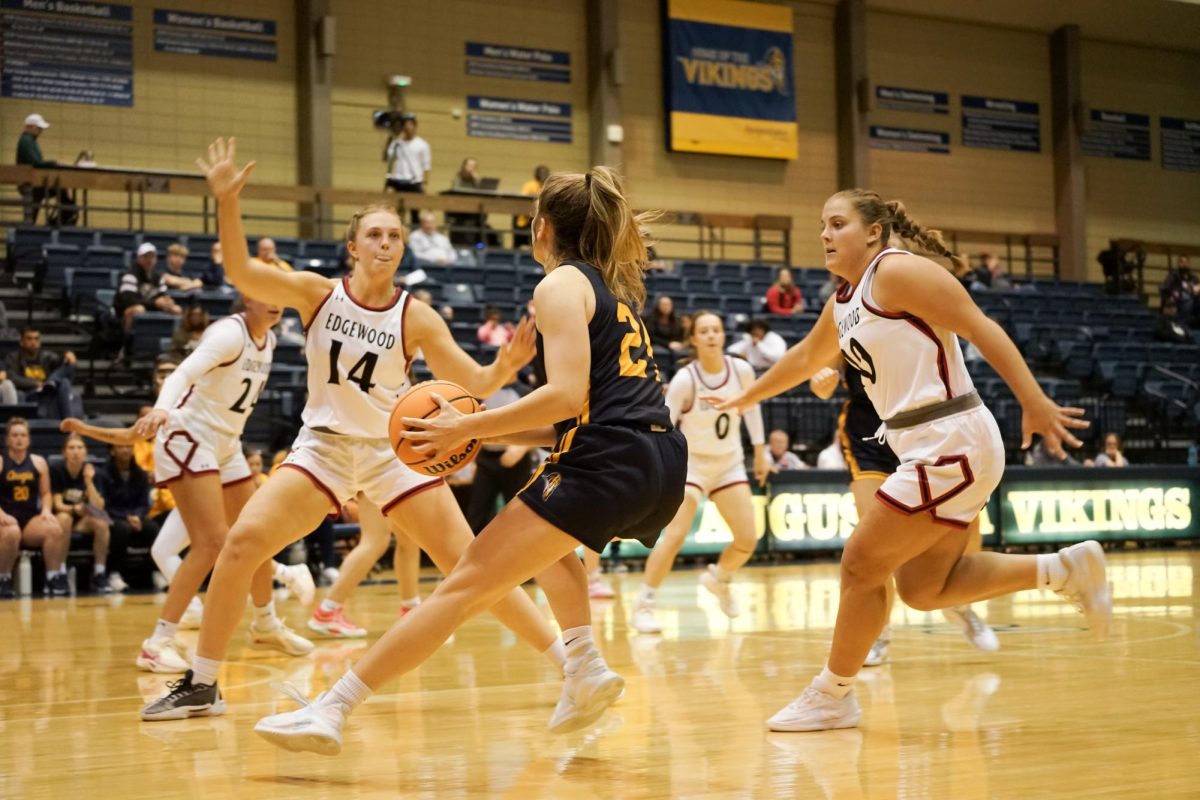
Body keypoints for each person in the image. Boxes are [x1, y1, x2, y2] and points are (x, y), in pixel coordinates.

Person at [142, 138, 583, 723]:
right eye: (374, 234)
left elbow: (471, 384)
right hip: (322, 449)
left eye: (394, 236)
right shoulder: (316, 293)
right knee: (241, 545)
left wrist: (503, 367)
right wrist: (227, 203)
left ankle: (571, 667)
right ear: (352, 246)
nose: (385, 243)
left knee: (471, 566)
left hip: (392, 451)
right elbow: (240, 270)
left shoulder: (416, 315)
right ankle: (201, 684)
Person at [253, 164, 688, 754]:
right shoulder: (612, 295)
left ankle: (331, 709)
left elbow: (562, 396)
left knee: (462, 586)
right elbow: (582, 411)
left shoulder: (560, 286)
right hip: (658, 461)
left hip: (607, 460)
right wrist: (481, 437)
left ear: (540, 229)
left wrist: (467, 423)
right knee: (552, 551)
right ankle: (582, 665)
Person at [712, 188, 1110, 732]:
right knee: (924, 589)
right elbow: (806, 357)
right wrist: (744, 397)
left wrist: (1034, 400)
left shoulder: (896, 272)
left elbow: (980, 326)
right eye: (822, 226)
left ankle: (833, 693)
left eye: (837, 224)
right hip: (926, 445)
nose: (825, 235)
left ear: (873, 231)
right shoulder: (845, 299)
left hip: (949, 439)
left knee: (860, 563)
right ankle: (1063, 570)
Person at [810, 357, 998, 667]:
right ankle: (879, 633)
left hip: (930, 426)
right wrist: (820, 381)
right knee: (874, 545)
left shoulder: (925, 313)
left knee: (967, 539)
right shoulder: (847, 312)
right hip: (870, 432)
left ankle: (959, 604)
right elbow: (816, 368)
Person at [630, 311, 764, 633]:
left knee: (747, 539)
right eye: (704, 331)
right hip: (692, 465)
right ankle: (644, 604)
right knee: (674, 535)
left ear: (723, 335)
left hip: (729, 463)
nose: (711, 335)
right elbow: (666, 426)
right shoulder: (686, 379)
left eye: (716, 330)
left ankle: (719, 578)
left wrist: (760, 451)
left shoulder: (741, 370)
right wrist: (663, 469)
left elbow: (753, 407)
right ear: (694, 339)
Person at [0, 417, 67, 598]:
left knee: (54, 528)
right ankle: (3, 578)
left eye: (23, 435)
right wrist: (1, 514)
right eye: (14, 435)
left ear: (29, 439)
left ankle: (52, 577)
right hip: (5, 519)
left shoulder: (38, 462)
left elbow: (45, 493)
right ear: (7, 439)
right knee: (12, 531)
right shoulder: (0, 462)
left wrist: (46, 510)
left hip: (29, 519)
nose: (19, 439)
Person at [465, 384, 535, 534]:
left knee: (518, 513)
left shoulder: (525, 392)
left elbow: (543, 425)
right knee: (477, 511)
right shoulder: (482, 392)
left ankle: (521, 555)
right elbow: (472, 426)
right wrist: (471, 460)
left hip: (517, 460)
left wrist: (521, 448)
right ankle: (474, 554)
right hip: (486, 458)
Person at [50, 433, 114, 594]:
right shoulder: (57, 470)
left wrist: (88, 481)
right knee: (64, 519)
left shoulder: (94, 473)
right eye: (71, 448)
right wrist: (74, 509)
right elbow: (57, 505)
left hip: (81, 521)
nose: (76, 452)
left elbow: (99, 507)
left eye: (80, 448)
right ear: (64, 452)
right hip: (61, 518)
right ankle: (61, 572)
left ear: (85, 452)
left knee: (102, 522)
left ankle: (99, 573)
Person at [5, 327, 78, 419]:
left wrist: (67, 355)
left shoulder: (47, 357)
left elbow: (63, 364)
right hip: (29, 392)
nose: (33, 342)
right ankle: (50, 383)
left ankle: (69, 424)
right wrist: (37, 384)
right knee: (62, 382)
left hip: (47, 392)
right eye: (29, 339)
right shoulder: (13, 358)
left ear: (39, 342)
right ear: (21, 342)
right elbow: (13, 378)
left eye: (36, 339)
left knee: (66, 378)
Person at [15, 113, 73, 225]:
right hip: (31, 182)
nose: (41, 131)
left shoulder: (30, 141)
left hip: (32, 181)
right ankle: (62, 217)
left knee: (33, 211)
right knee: (59, 190)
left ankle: (59, 218)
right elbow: (35, 163)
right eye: (39, 128)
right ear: (29, 127)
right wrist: (54, 163)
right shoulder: (26, 141)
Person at [116, 244, 182, 331]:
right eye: (145, 257)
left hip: (151, 308)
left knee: (176, 309)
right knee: (138, 309)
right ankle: (126, 340)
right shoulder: (130, 276)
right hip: (122, 315)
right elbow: (129, 301)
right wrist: (154, 303)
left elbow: (162, 295)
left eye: (151, 257)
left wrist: (167, 303)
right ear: (139, 258)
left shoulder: (157, 277)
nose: (149, 260)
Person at [383, 113, 430, 197]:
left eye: (409, 124)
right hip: (397, 178)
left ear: (414, 126)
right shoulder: (396, 143)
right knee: (388, 196)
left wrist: (425, 183)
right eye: (405, 124)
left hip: (414, 180)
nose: (407, 127)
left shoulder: (422, 144)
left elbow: (426, 165)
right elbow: (389, 157)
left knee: (415, 206)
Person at [514, 165, 550, 247]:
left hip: (544, 218)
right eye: (542, 173)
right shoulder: (530, 185)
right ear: (537, 174)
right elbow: (523, 198)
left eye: (546, 173)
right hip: (528, 217)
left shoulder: (549, 186)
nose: (544, 175)